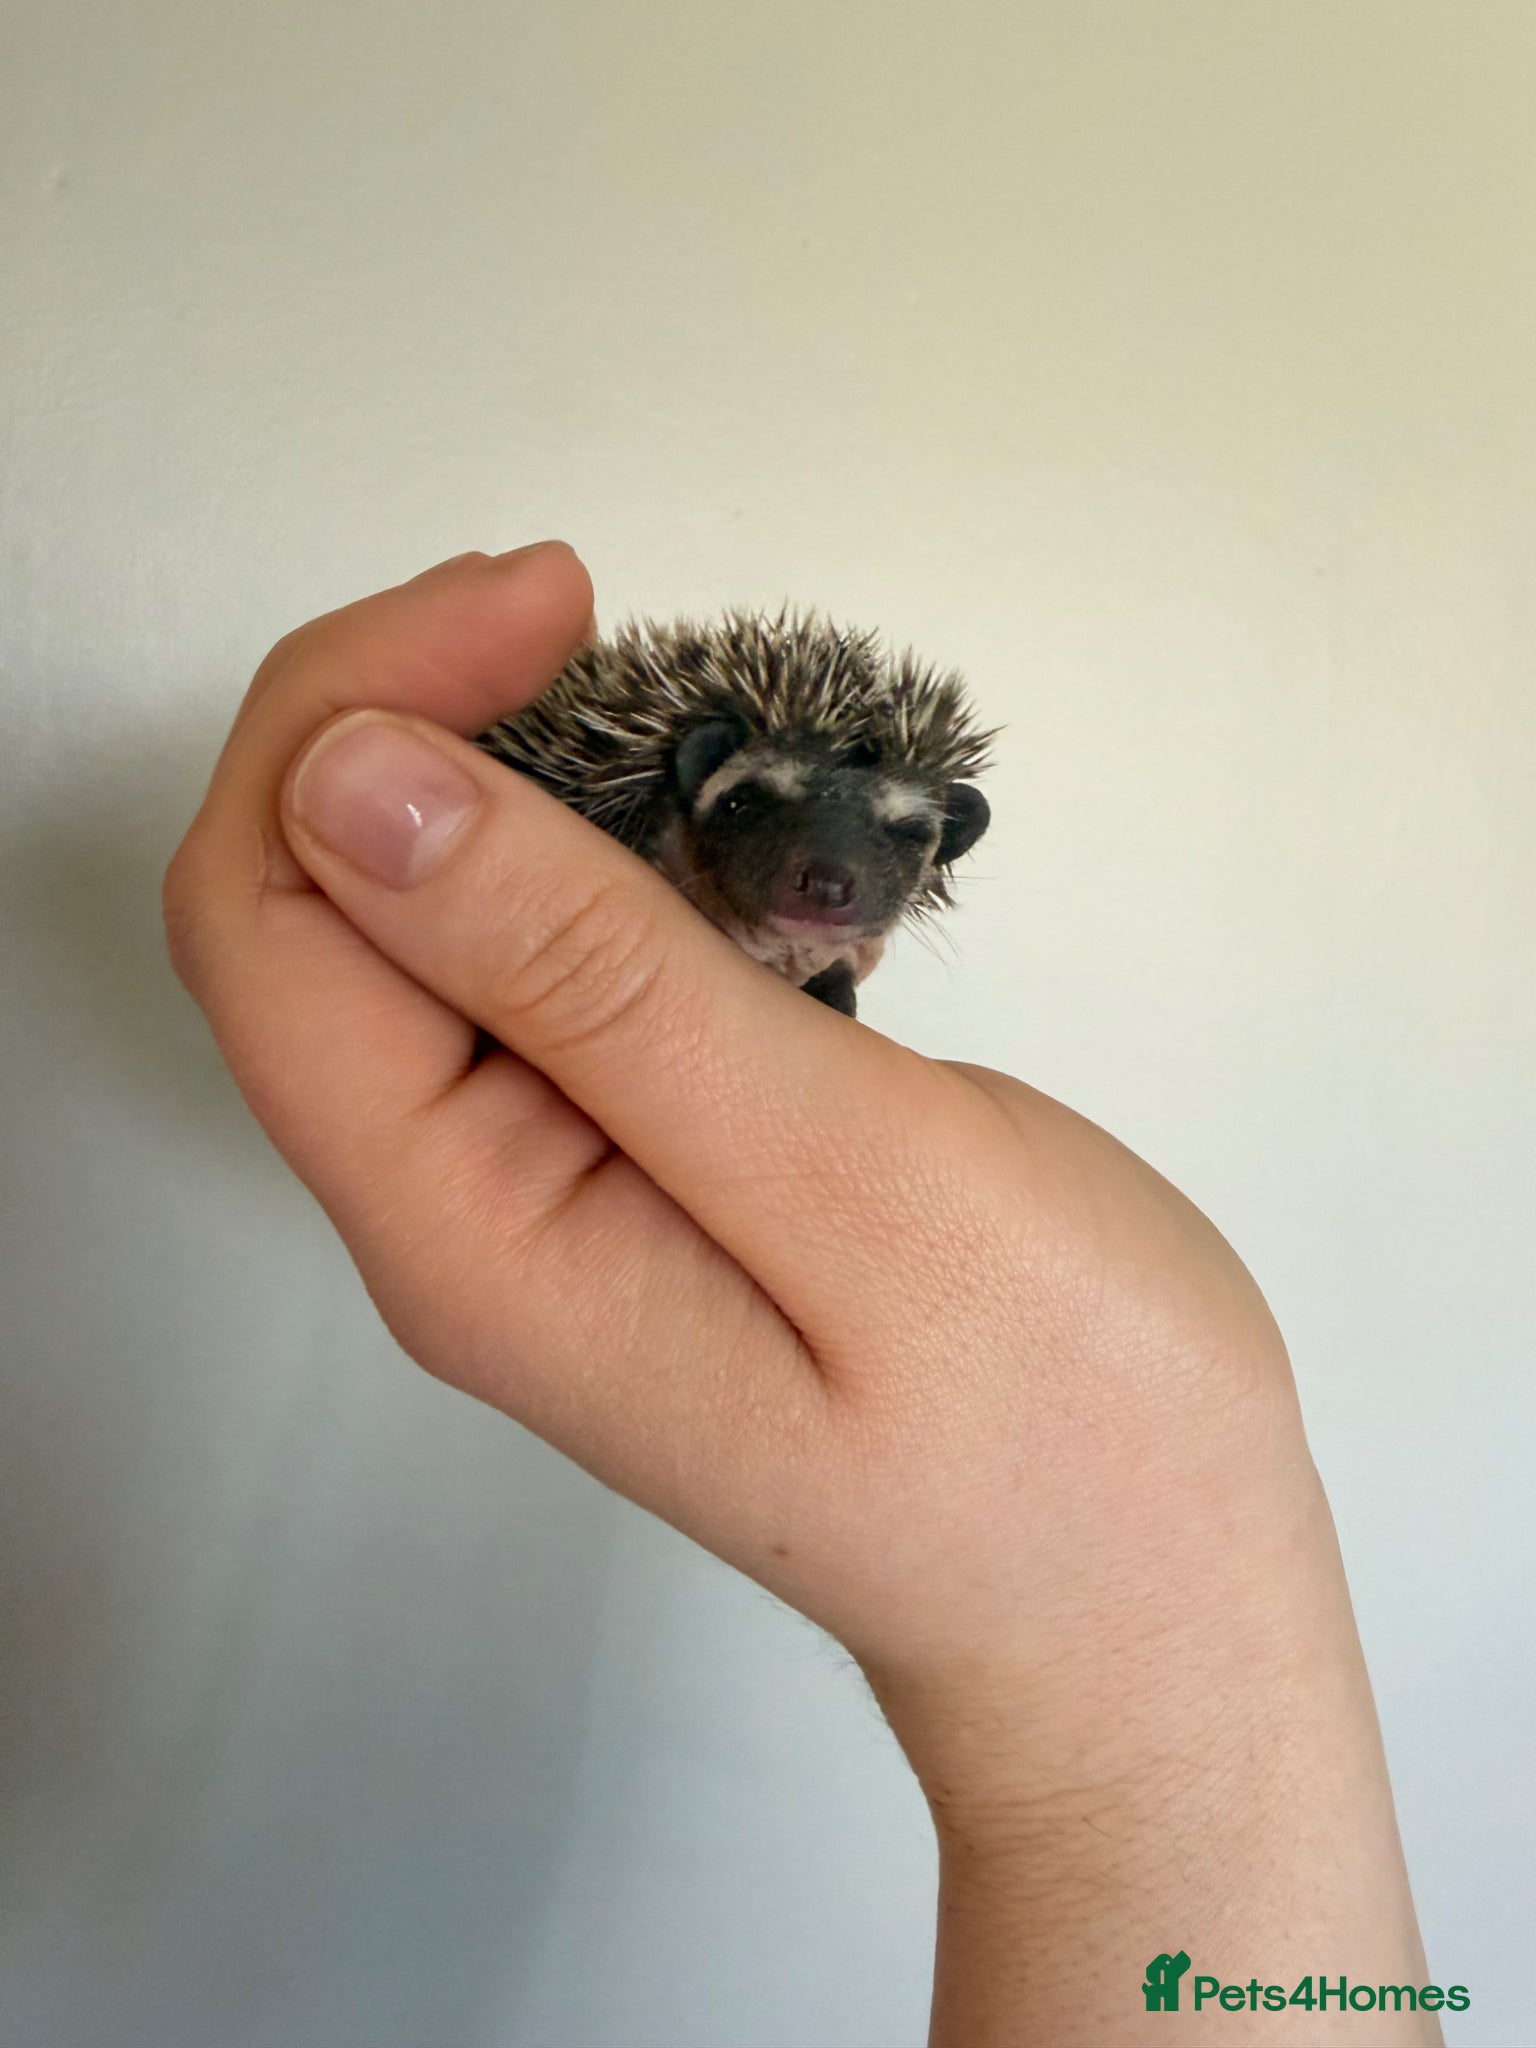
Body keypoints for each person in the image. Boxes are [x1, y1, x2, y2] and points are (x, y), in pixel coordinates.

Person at [163, 542, 1440, 2046]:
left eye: (884, 846)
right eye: (769, 821)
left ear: (937, 842)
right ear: (701, 787)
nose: (831, 872)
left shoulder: (810, 922)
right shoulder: (632, 812)